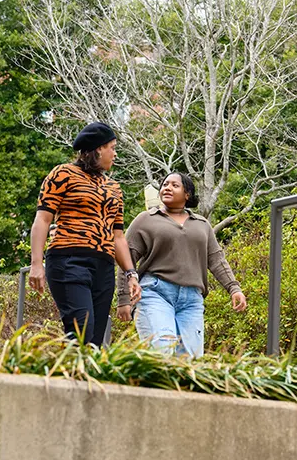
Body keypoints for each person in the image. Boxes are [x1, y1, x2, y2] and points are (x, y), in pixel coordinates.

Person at [29, 122, 141, 346]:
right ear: (99, 149)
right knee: (82, 329)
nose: (115, 154)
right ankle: (66, 377)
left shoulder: (114, 188)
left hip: (104, 267)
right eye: (112, 147)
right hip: (68, 260)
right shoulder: (63, 174)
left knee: (94, 342)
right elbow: (42, 219)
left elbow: (117, 236)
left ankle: (81, 378)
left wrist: (131, 274)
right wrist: (36, 263)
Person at [115, 172, 246, 357]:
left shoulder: (202, 224)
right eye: (165, 184)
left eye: (174, 185)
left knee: (189, 359)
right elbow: (125, 258)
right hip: (155, 293)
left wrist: (234, 288)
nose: (167, 188)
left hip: (192, 300)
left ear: (187, 194)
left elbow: (216, 260)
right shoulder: (146, 219)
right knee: (162, 350)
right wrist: (123, 299)